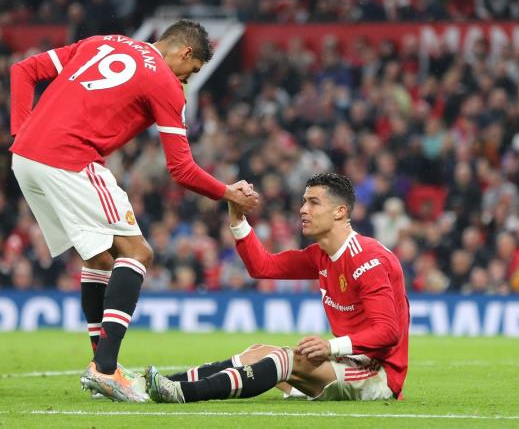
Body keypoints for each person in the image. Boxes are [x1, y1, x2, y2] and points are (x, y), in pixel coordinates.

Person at [9, 20, 258, 402]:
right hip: (70, 159)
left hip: (25, 157)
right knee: (138, 252)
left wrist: (22, 131)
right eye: (191, 71)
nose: (187, 80)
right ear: (185, 53)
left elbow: (23, 70)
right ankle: (105, 370)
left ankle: (101, 370)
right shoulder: (165, 82)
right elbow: (181, 169)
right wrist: (228, 193)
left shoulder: (101, 41)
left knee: (99, 258)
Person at [146, 173, 409, 403]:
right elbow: (263, 267)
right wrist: (237, 218)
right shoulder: (321, 255)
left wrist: (330, 347)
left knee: (287, 359)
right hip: (348, 361)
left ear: (340, 211)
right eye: (304, 201)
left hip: (378, 374)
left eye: (313, 202)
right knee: (257, 353)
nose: (303, 209)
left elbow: (388, 331)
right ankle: (160, 385)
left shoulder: (368, 259)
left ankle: (183, 393)